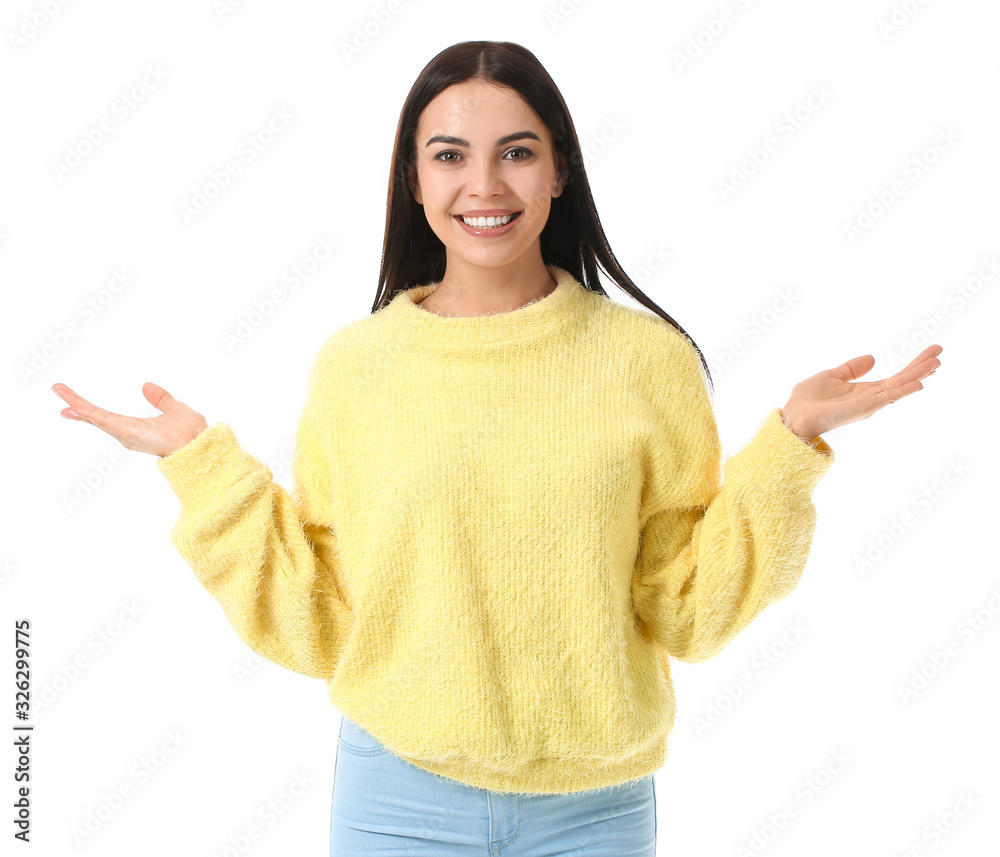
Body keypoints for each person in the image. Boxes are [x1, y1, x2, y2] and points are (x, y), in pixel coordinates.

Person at [51, 40, 942, 857]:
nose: (486, 185)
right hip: (395, 795)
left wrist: (789, 446)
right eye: (450, 155)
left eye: (517, 151)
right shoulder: (357, 367)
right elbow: (322, 613)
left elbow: (686, 610)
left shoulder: (645, 361)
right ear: (413, 177)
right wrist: (203, 467)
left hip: (594, 806)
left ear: (560, 171)